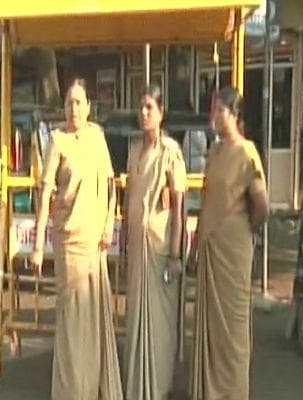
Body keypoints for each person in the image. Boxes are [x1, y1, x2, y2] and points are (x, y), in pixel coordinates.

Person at [29, 78, 123, 400]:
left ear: (89, 107)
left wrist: (109, 224)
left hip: (95, 242)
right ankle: (72, 392)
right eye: (69, 102)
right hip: (69, 242)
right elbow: (45, 194)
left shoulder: (97, 137)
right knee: (72, 321)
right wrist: (38, 245)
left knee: (94, 319)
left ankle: (94, 388)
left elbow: (110, 186)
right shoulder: (57, 140)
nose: (74, 108)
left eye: (79, 102)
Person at [189, 86, 269, 399]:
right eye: (214, 109)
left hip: (234, 249)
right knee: (211, 326)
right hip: (210, 246)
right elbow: (207, 201)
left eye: (220, 110)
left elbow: (261, 206)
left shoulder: (247, 152)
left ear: (235, 115)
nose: (215, 115)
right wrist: (195, 245)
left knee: (233, 329)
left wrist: (245, 230)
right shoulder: (214, 151)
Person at [121, 85, 187, 400]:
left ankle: (159, 389)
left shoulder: (171, 151)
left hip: (160, 249)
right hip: (137, 247)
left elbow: (179, 207)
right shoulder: (134, 150)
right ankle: (137, 388)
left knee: (160, 325)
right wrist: (123, 243)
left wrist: (175, 256)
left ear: (161, 113)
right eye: (141, 107)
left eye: (150, 107)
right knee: (135, 317)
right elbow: (128, 199)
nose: (144, 113)